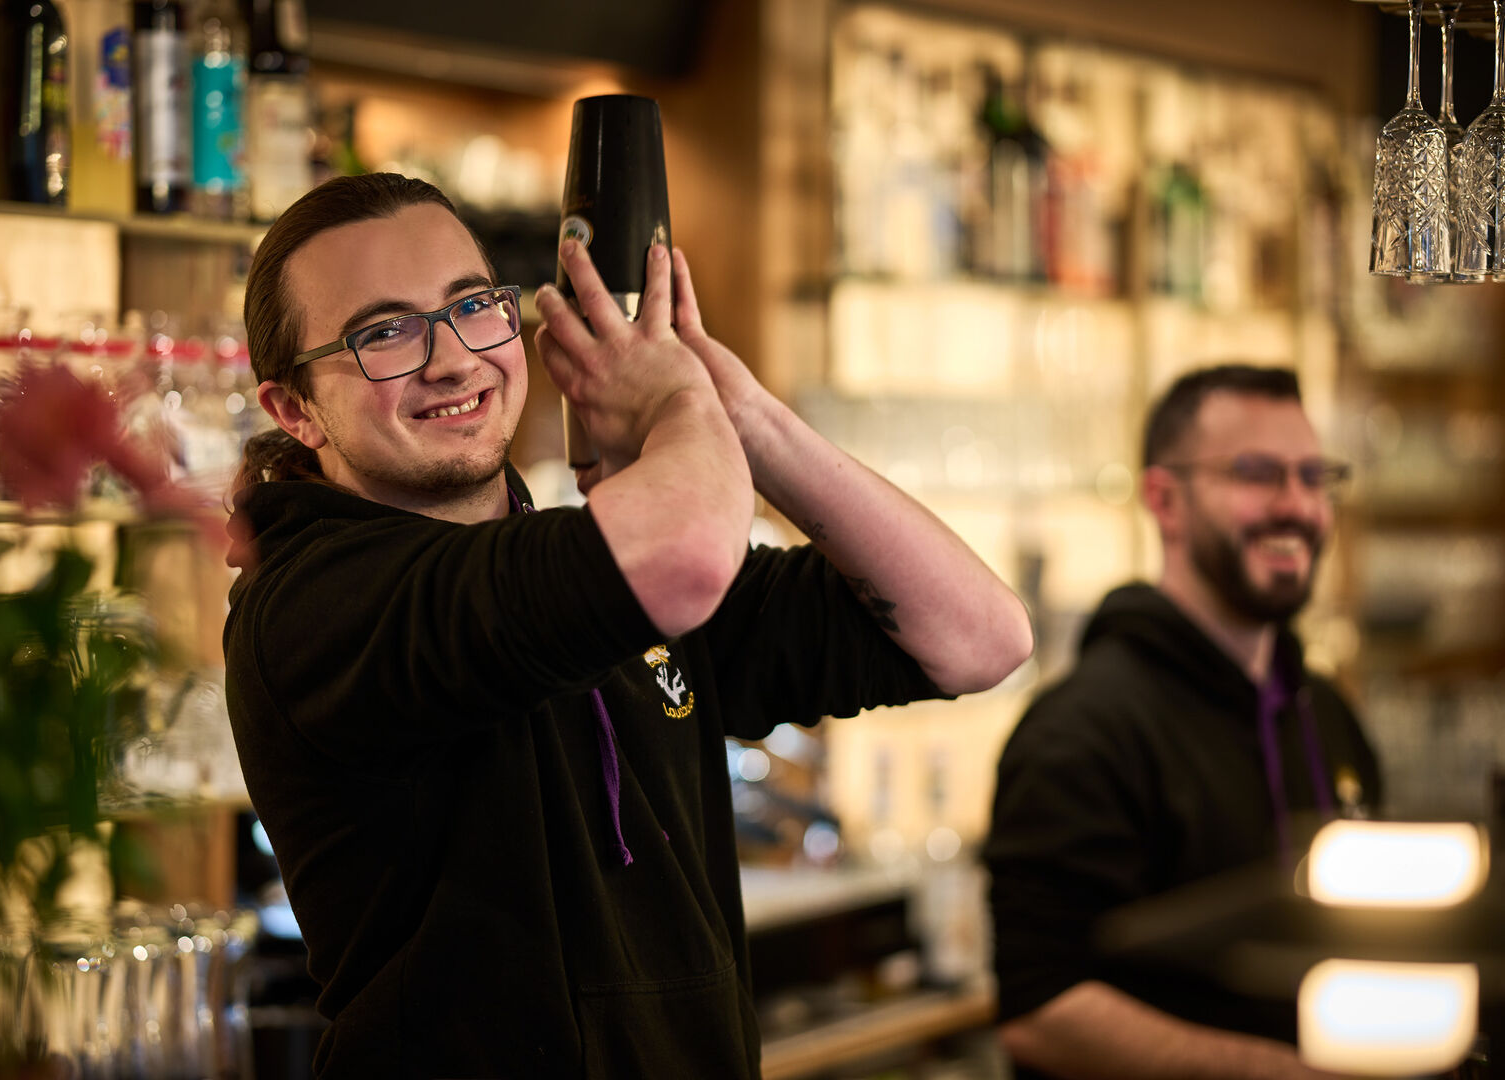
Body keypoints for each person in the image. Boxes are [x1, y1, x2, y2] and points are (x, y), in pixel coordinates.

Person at [221, 172, 1033, 1078]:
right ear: (294, 411)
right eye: (384, 334)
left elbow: (980, 636)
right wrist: (679, 410)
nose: (452, 359)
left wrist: (745, 414)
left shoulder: (584, 565)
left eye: (471, 307)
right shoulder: (313, 598)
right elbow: (678, 558)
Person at [982, 364, 1382, 1080]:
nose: (1298, 506)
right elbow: (1043, 1017)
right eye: (1259, 474)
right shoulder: (1080, 731)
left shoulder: (1324, 710)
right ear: (1165, 500)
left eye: (1314, 476)